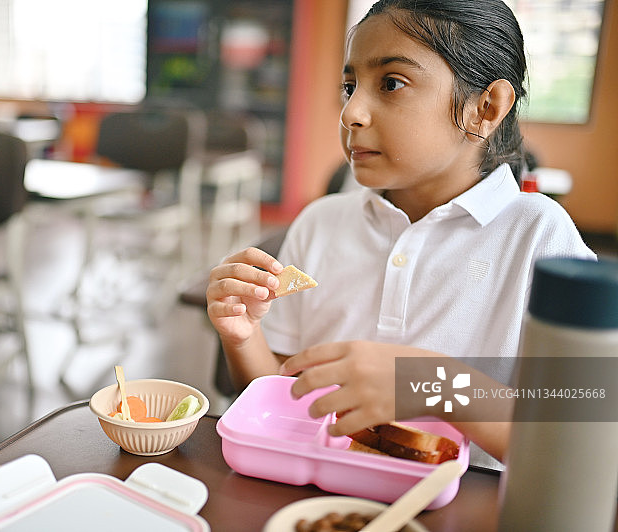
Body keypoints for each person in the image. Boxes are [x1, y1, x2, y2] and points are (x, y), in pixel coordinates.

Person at [205, 0, 596, 469]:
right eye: (350, 87)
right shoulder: (321, 223)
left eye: (391, 83)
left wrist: (428, 383)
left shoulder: (539, 236)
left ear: (485, 107)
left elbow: (579, 442)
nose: (351, 113)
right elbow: (285, 401)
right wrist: (243, 337)